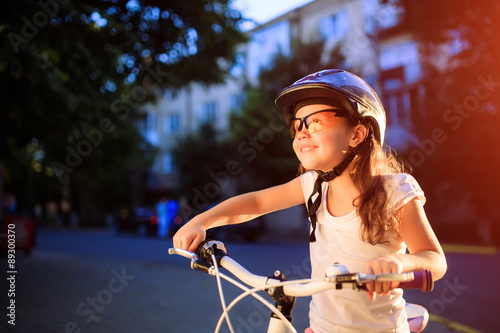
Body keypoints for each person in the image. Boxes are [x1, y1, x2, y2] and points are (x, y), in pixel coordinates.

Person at [173, 69, 447, 332]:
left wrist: (400, 265)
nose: (303, 131)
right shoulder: (314, 185)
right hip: (321, 327)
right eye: (297, 124)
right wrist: (201, 220)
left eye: (316, 121)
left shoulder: (393, 190)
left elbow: (434, 260)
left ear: (357, 134)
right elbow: (256, 203)